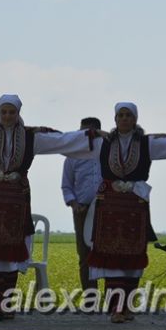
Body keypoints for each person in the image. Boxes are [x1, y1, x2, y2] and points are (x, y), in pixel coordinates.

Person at [0, 94, 96, 320]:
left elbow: (63, 141)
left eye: (12, 112)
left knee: (11, 252)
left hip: (16, 199)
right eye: (4, 112)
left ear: (18, 113)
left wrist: (94, 138)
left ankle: (6, 304)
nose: (7, 116)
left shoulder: (32, 136)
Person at [85, 102, 166, 323]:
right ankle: (116, 308)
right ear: (115, 119)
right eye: (120, 115)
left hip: (134, 205)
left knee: (132, 255)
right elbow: (66, 142)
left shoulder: (146, 143)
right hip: (110, 205)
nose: (123, 119)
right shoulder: (103, 141)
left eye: (128, 115)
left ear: (135, 119)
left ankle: (127, 307)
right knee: (110, 255)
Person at [61, 117, 103, 291]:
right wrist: (74, 204)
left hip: (106, 210)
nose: (84, 136)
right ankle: (90, 298)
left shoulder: (107, 151)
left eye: (88, 132)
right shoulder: (72, 156)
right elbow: (66, 185)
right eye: (81, 133)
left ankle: (113, 298)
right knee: (85, 254)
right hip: (82, 210)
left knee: (109, 253)